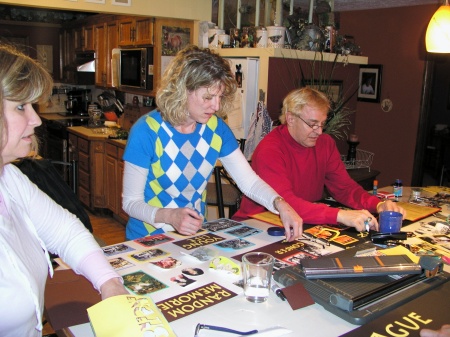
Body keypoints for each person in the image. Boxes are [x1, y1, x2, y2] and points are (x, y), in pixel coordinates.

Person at [0, 44, 127, 337]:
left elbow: (66, 232)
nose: (36, 119)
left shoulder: (10, 179)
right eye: (21, 106)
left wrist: (111, 284)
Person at [122, 45, 302, 241]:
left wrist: (280, 204)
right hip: (148, 239)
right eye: (208, 97)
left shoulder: (216, 129)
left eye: (219, 96)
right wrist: (169, 216)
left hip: (193, 237)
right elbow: (131, 203)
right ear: (182, 90)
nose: (216, 106)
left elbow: (248, 181)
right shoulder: (147, 131)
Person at [233, 87, 405, 232]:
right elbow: (286, 203)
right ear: (291, 118)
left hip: (301, 221)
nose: (319, 131)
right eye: (312, 124)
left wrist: (378, 205)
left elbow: (344, 188)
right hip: (257, 225)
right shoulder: (270, 150)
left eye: (322, 124)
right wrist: (340, 215)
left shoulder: (325, 144)